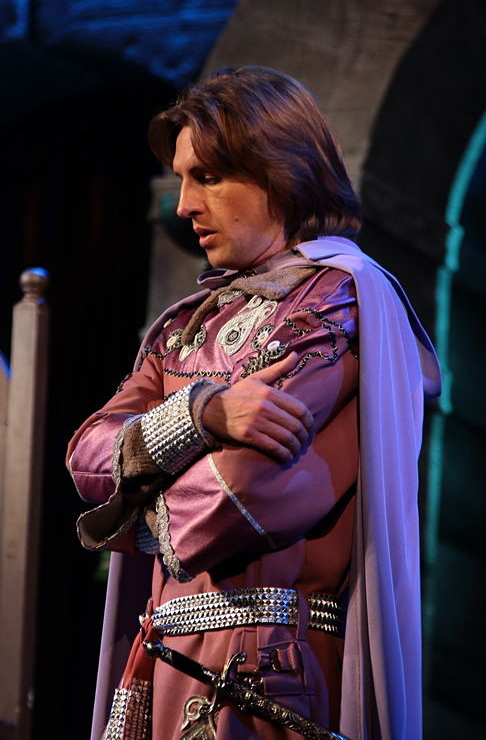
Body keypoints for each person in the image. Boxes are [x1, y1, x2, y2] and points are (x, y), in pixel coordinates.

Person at [66, 66, 441, 740]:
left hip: (263, 669)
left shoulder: (334, 303)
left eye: (208, 177)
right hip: (161, 665)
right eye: (182, 179)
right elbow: (87, 459)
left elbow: (236, 497)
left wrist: (131, 502)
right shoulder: (185, 325)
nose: (184, 205)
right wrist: (200, 412)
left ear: (281, 173)